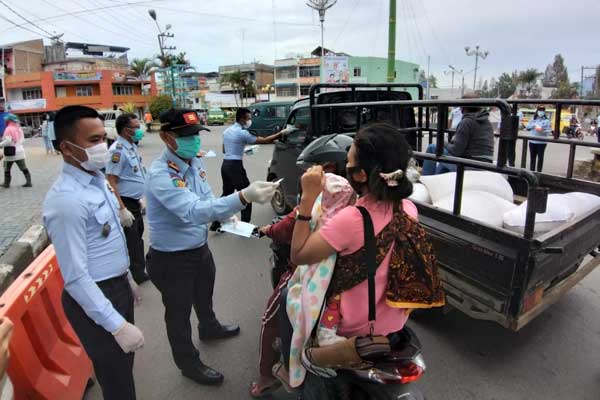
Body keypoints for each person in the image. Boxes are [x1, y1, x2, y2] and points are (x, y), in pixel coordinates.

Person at [289, 123, 442, 396]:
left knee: (314, 382)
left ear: (360, 175)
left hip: (347, 335)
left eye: (348, 162)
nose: (344, 167)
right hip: (393, 328)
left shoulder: (351, 220)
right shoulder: (408, 209)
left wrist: (308, 198)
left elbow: (299, 254)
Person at [144, 108, 280, 385]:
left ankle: (209, 327)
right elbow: (193, 211)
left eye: (196, 133)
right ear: (166, 137)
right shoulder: (162, 174)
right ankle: (188, 363)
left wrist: (223, 214)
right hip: (171, 259)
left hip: (198, 248)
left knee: (204, 293)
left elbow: (206, 199)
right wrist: (242, 197)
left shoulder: (194, 163)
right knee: (178, 316)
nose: (193, 140)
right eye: (186, 135)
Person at [43, 105, 145, 400]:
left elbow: (105, 242)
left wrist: (126, 276)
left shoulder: (97, 179)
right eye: (93, 140)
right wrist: (115, 325)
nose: (103, 147)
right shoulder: (66, 201)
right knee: (116, 378)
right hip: (94, 297)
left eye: (104, 138)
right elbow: (75, 277)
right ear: (66, 147)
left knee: (123, 367)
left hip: (116, 286)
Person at [211, 107, 285, 229]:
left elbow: (225, 150)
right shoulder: (242, 133)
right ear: (242, 119)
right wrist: (282, 133)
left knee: (226, 194)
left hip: (225, 165)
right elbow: (265, 140)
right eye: (249, 119)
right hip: (235, 166)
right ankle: (245, 227)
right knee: (247, 195)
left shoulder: (227, 131)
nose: (250, 121)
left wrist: (240, 148)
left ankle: (216, 223)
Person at [106, 113, 149, 284]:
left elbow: (132, 176)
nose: (140, 130)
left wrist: (138, 198)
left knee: (137, 235)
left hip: (133, 200)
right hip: (124, 202)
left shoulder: (131, 146)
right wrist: (121, 208)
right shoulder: (117, 151)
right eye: (136, 127)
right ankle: (137, 274)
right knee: (133, 240)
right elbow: (111, 180)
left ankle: (137, 269)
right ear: (126, 131)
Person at [422, 94, 494, 175]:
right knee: (444, 157)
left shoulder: (467, 122)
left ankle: (425, 178)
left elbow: (455, 151)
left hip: (470, 165)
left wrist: (443, 142)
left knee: (432, 148)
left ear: (462, 107)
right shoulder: (486, 122)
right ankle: (437, 178)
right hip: (485, 164)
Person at [0, 114, 32, 188]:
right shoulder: (18, 128)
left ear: (9, 120)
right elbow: (22, 140)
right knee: (23, 167)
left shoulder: (8, 129)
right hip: (19, 151)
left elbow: (8, 141)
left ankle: (6, 183)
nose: (5, 121)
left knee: (7, 168)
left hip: (10, 152)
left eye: (6, 120)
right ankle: (28, 182)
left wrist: (0, 144)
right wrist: (17, 144)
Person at [526, 106, 552, 172]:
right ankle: (532, 172)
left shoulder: (546, 120)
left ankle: (539, 172)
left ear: (544, 112)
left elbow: (549, 131)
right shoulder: (533, 119)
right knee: (532, 157)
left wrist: (542, 130)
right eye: (539, 110)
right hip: (532, 141)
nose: (541, 112)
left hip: (542, 142)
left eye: (542, 110)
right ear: (537, 111)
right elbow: (527, 127)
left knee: (540, 158)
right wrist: (534, 125)